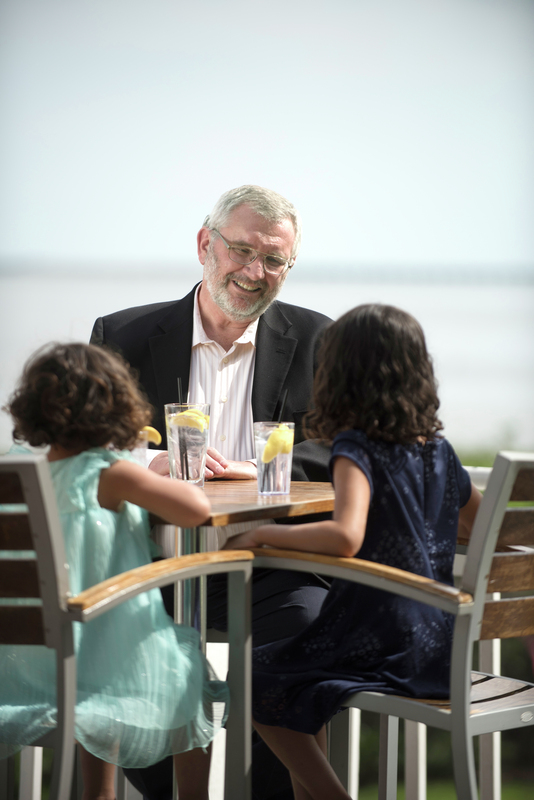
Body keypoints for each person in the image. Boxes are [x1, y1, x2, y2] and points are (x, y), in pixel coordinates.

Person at [90, 185, 332, 799]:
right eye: (242, 251)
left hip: (268, 563)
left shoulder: (320, 340)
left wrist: (261, 466)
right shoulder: (121, 334)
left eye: (274, 260)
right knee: (132, 661)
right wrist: (154, 461)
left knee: (302, 637)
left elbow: (338, 451)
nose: (255, 272)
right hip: (149, 567)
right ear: (206, 245)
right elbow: (87, 447)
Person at [225, 304, 482, 800]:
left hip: (378, 639)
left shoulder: (355, 448)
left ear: (338, 374)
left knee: (251, 676)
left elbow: (346, 536)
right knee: (298, 685)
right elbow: (477, 523)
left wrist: (260, 537)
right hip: (438, 645)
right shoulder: (440, 451)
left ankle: (333, 796)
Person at [0, 343, 228, 800]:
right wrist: (137, 463)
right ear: (115, 408)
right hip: (110, 656)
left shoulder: (24, 471)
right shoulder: (111, 472)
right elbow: (196, 510)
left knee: (95, 670)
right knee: (191, 675)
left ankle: (100, 795)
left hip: (31, 666)